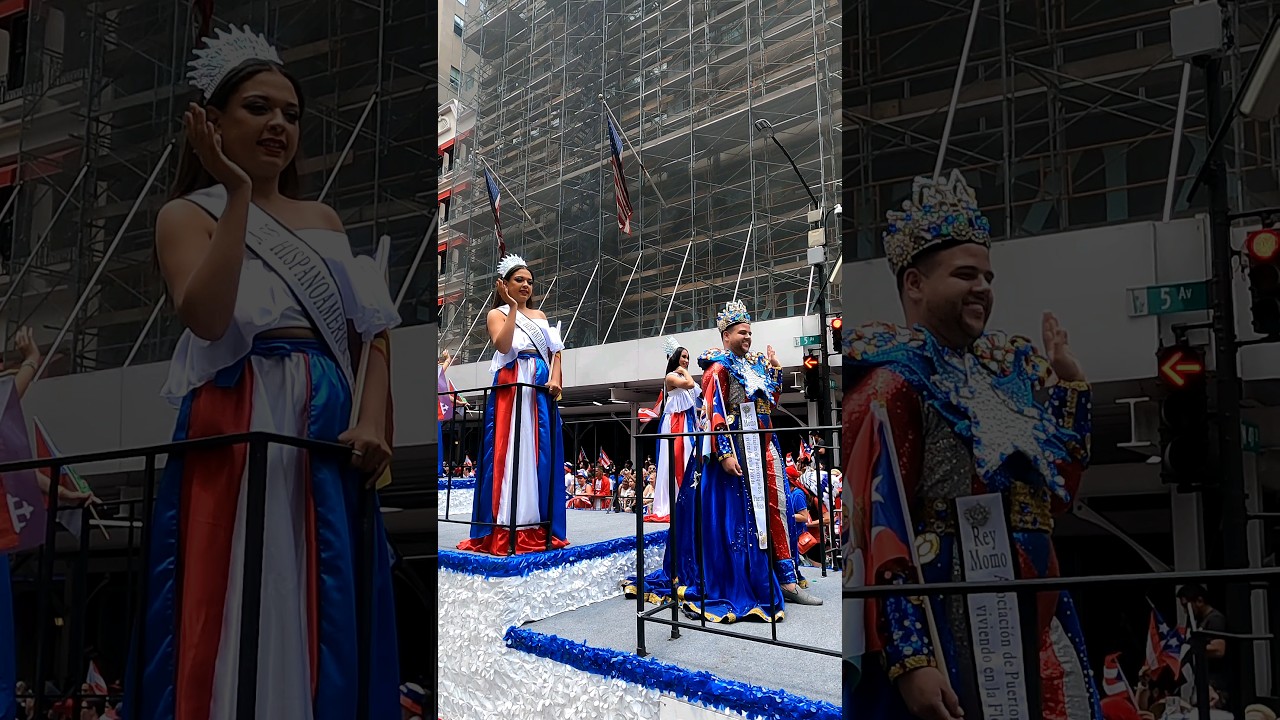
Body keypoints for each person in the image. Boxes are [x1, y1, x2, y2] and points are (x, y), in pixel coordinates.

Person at [128, 26, 401, 719]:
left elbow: (371, 334)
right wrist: (237, 193)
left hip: (327, 417)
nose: (279, 123)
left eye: (290, 113)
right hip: (237, 406)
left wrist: (372, 418)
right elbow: (210, 318)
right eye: (257, 108)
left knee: (321, 584)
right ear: (211, 122)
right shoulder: (187, 215)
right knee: (233, 577)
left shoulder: (325, 217)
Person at [844, 170, 1099, 719]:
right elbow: (878, 525)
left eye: (987, 276)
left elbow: (1054, 500)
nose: (983, 287)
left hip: (1037, 610)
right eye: (965, 274)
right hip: (952, 615)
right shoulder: (892, 382)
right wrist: (912, 658)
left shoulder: (1009, 375)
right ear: (914, 283)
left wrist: (1071, 389)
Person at [457, 253, 568, 554]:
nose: (526, 285)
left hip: (540, 387)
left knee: (539, 450)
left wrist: (557, 380)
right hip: (512, 383)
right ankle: (505, 522)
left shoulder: (542, 317)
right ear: (504, 284)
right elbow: (504, 346)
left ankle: (537, 522)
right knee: (510, 449)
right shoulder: (498, 314)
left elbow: (556, 353)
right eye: (519, 280)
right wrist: (514, 309)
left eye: (529, 282)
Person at [645, 337, 700, 523]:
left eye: (688, 358)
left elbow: (695, 399)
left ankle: (686, 501)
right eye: (683, 357)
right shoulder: (671, 377)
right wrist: (684, 371)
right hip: (675, 422)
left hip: (687, 422)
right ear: (676, 358)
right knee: (673, 459)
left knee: (686, 460)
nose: (686, 360)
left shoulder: (681, 376)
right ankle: (672, 502)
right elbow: (691, 385)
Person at [1177, 583, 1230, 704]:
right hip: (1202, 682)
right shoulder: (1197, 622)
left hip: (1216, 685)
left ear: (1199, 601)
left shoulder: (1215, 619)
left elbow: (1219, 649)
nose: (1185, 611)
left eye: (1186, 606)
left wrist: (1192, 649)